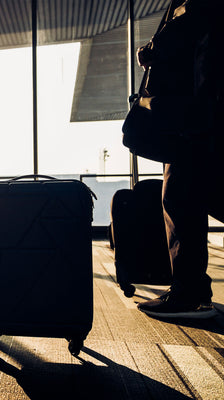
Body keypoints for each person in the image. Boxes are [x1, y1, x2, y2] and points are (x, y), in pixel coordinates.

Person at [136, 0, 224, 318]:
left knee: (182, 197)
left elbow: (191, 35)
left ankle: (189, 294)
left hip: (195, 112)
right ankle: (191, 291)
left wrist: (152, 50)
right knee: (187, 197)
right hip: (196, 110)